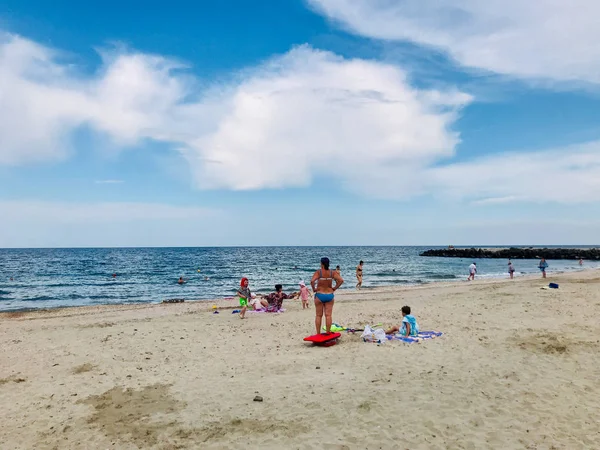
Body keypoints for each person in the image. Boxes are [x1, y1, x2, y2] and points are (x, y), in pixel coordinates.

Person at [311, 257, 344, 335]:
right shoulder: (332, 272)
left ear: (321, 264)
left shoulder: (319, 272)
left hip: (319, 295)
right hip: (329, 295)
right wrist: (335, 288)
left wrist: (314, 289)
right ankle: (328, 333)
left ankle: (318, 333)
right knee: (328, 315)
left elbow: (312, 281)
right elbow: (341, 280)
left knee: (318, 315)